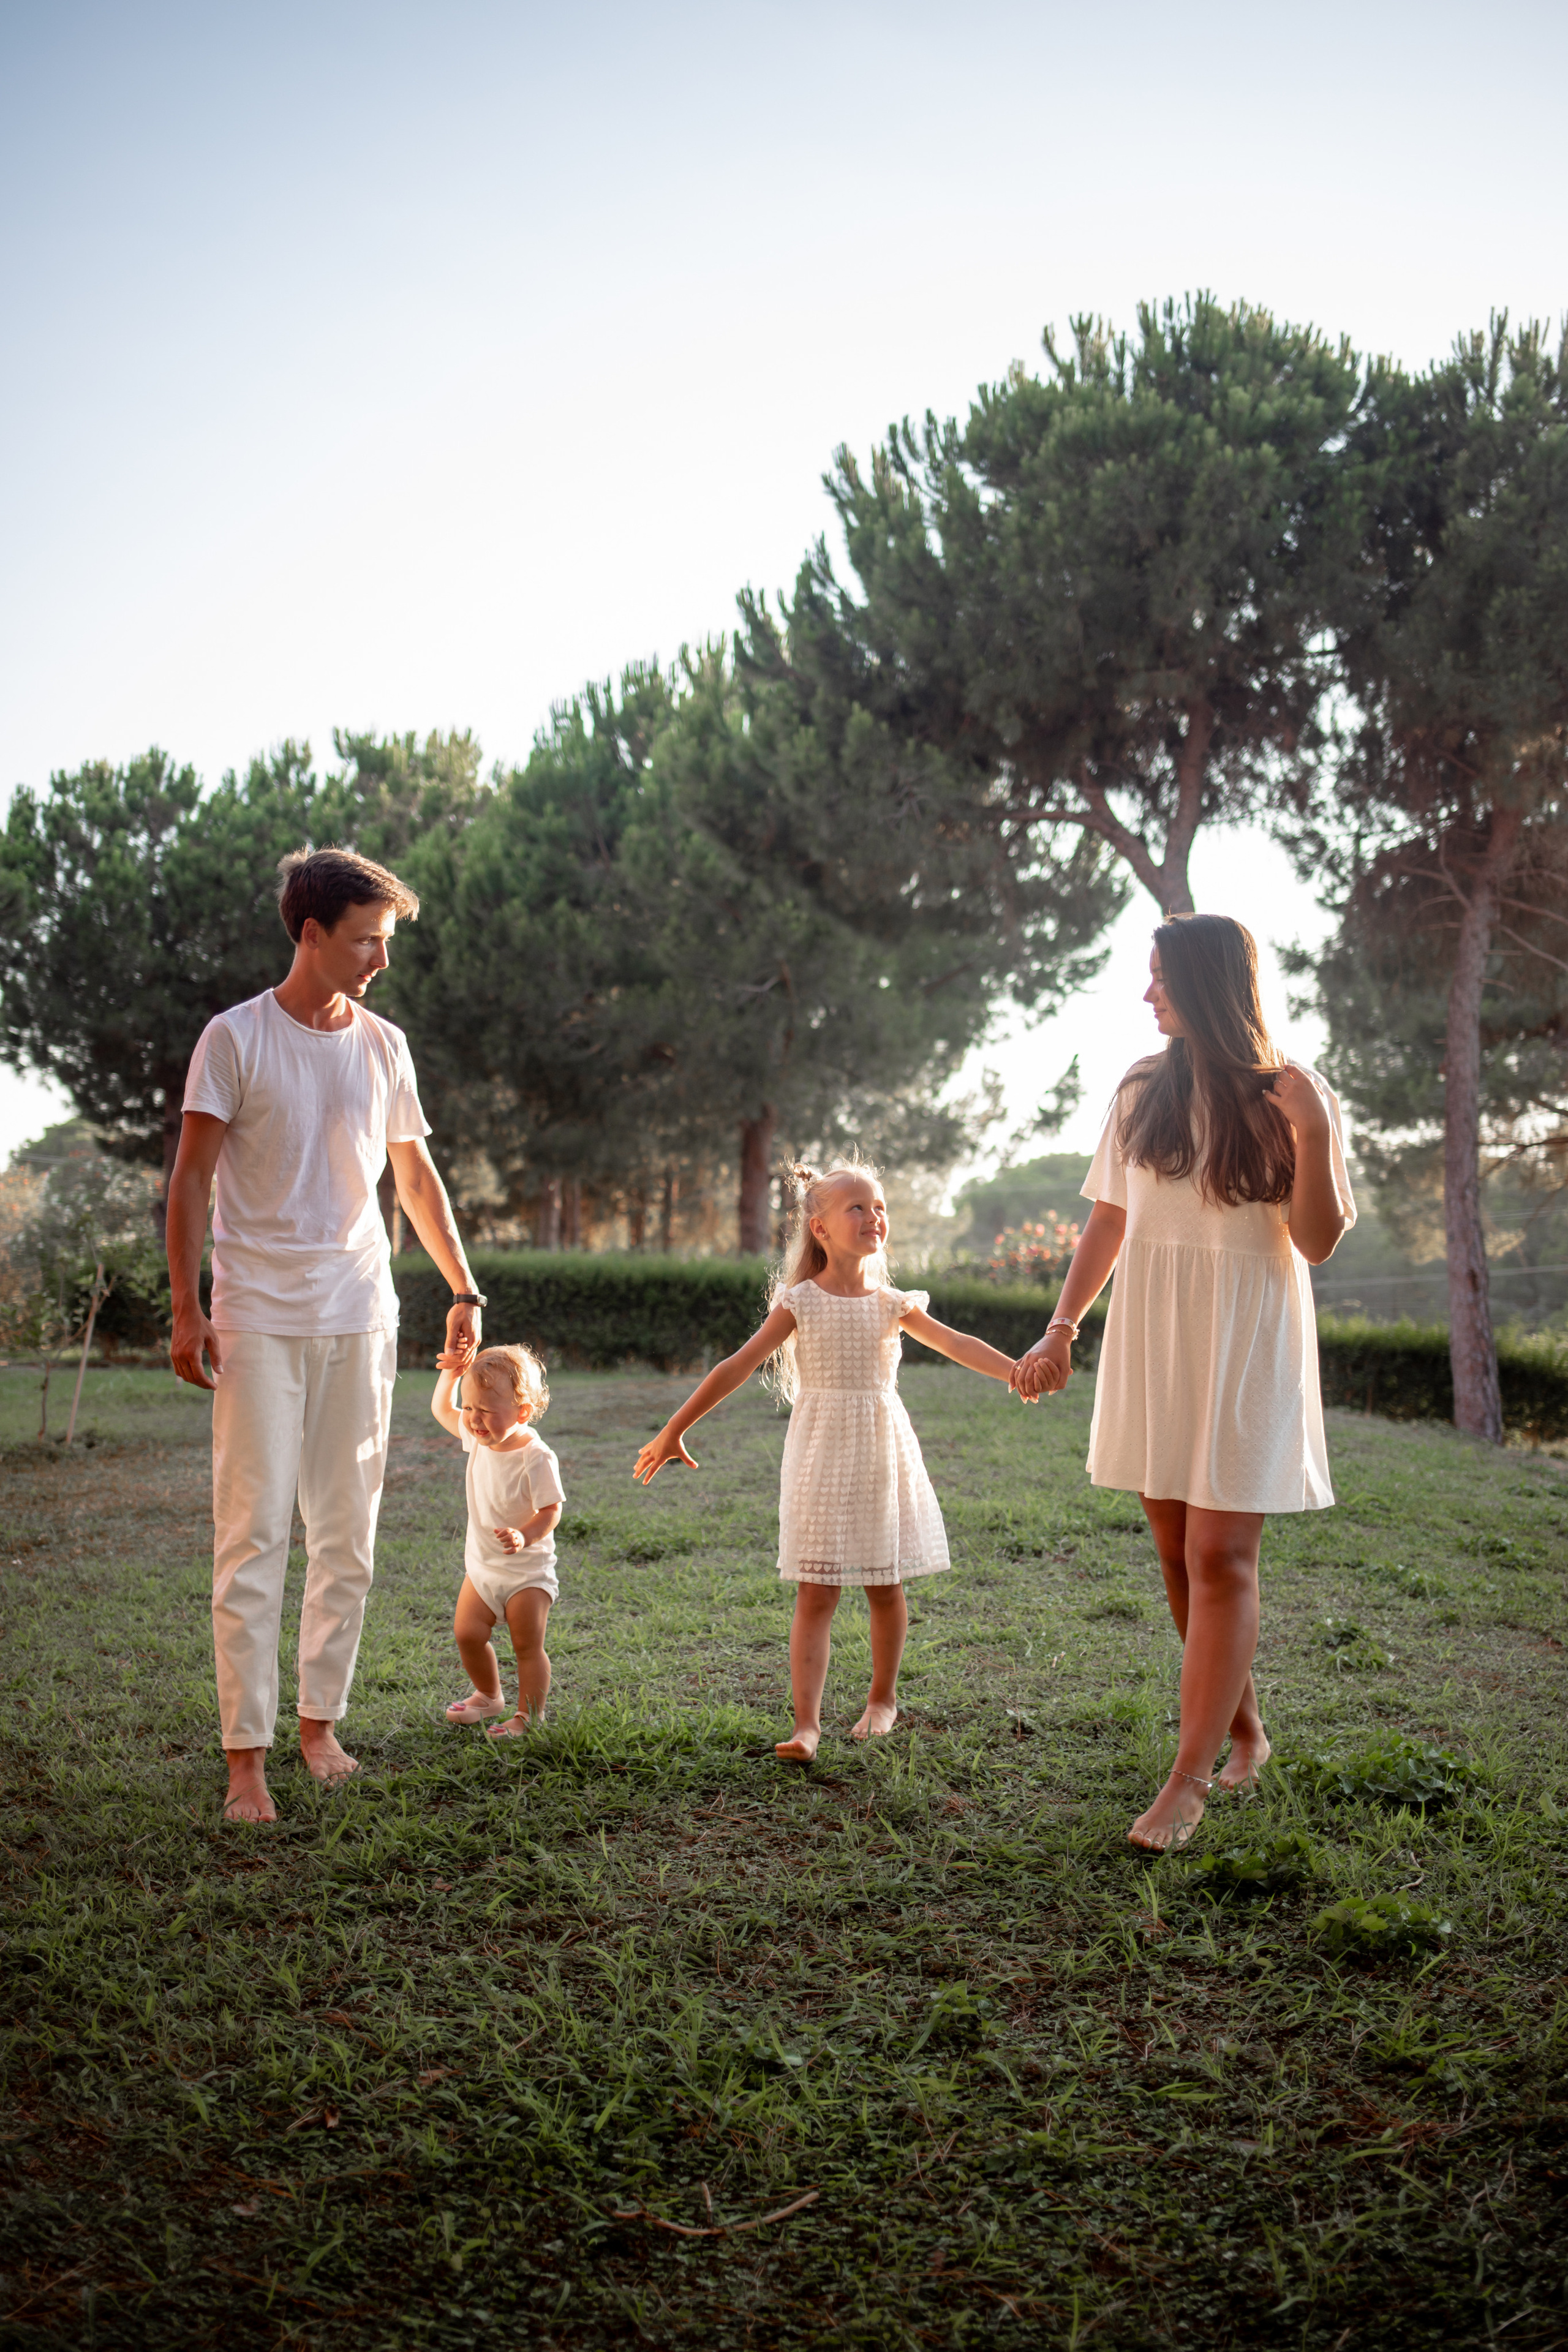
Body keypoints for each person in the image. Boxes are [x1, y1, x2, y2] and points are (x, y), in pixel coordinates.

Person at [1012, 914, 1355, 1853]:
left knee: (1219, 1557)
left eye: (1160, 976)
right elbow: (1108, 1225)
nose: (1146, 992)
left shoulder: (1295, 1096)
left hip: (1250, 1342)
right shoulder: (1139, 1090)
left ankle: (1188, 1780)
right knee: (1175, 1550)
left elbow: (1317, 1241)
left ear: (1207, 984)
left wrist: (1316, 1132)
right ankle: (1245, 1732)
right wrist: (1062, 1327)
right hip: (1156, 1336)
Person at [167, 846, 486, 1824]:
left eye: (385, 942)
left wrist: (464, 1286)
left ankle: (319, 1724)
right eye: (366, 942)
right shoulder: (234, 1039)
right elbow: (190, 1182)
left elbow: (416, 1180)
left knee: (347, 1535)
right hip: (258, 1315)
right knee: (255, 1535)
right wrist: (188, 1307)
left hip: (361, 1312)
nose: (380, 960)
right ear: (310, 933)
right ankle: (246, 1757)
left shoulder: (384, 1045)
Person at [633, 1158, 1020, 1760]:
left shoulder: (893, 1303)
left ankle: (882, 1699)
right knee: (815, 1590)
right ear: (820, 1228)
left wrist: (1017, 1371)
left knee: (884, 1584)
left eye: (880, 1206)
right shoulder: (802, 1302)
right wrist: (674, 1429)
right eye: (858, 1207)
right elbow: (735, 1365)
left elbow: (956, 1343)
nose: (874, 1217)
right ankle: (806, 1725)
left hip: (880, 1449)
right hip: (819, 1453)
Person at [432, 1342, 564, 1735]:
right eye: (470, 1408)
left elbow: (551, 1511)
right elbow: (442, 1409)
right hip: (483, 1568)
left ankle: (528, 1716)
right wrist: (450, 1375)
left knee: (527, 1647)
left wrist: (525, 1537)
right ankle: (489, 1696)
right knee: (467, 1634)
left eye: (485, 1411)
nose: (473, 1419)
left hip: (527, 1572)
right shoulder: (478, 1437)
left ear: (522, 1412)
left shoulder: (536, 1456)